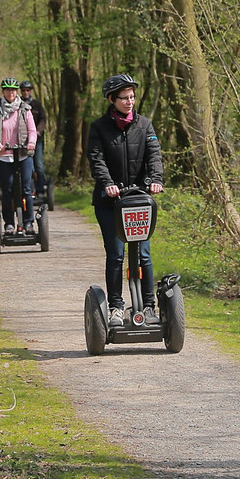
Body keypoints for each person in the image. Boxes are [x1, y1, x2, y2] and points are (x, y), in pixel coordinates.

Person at [86, 73, 164, 327]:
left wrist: (155, 178)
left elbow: (154, 154)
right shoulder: (99, 128)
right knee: (117, 254)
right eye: (124, 97)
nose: (130, 101)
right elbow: (96, 159)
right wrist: (108, 183)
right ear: (112, 99)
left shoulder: (145, 125)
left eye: (132, 96)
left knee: (143, 254)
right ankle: (116, 308)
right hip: (110, 203)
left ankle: (149, 307)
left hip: (139, 201)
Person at [0, 78, 37, 233]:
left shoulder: (25, 109)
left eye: (13, 90)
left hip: (23, 155)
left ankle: (28, 222)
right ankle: (9, 223)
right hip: (4, 156)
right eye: (8, 90)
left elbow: (32, 131)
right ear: (3, 92)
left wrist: (31, 143)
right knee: (7, 190)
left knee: (26, 189)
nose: (11, 93)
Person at [20, 80, 48, 195]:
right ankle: (30, 190)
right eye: (23, 90)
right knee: (28, 168)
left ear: (30, 91)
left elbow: (43, 119)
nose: (26, 92)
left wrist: (38, 131)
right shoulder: (18, 104)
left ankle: (41, 188)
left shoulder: (37, 104)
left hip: (37, 141)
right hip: (23, 141)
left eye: (28, 90)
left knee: (39, 166)